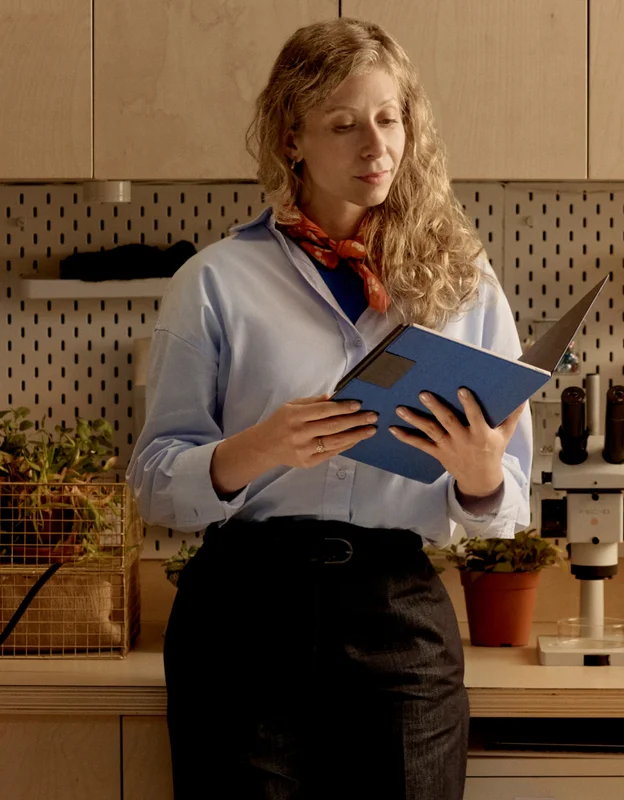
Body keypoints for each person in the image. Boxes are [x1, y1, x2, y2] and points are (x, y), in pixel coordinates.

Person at [127, 17, 533, 800]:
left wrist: (482, 475)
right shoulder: (215, 282)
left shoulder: (466, 283)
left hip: (399, 617)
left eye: (389, 118)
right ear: (292, 138)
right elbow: (153, 481)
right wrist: (258, 447)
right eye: (343, 125)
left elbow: (506, 505)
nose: (375, 146)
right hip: (241, 621)